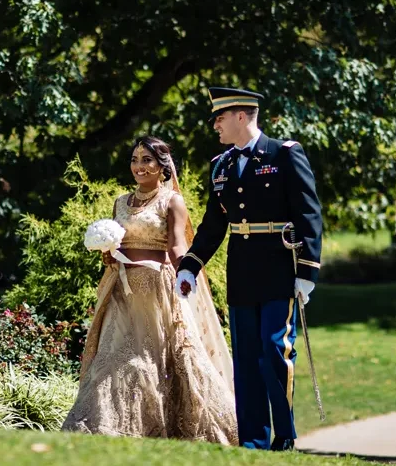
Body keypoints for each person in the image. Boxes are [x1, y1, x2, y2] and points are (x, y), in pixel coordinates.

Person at [61, 136, 238, 445]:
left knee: (161, 359)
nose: (139, 166)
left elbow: (177, 247)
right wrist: (108, 253)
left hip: (158, 291)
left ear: (162, 166)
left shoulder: (172, 201)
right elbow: (119, 244)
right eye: (134, 160)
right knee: (113, 359)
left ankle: (186, 427)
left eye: (147, 160)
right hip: (122, 292)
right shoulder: (120, 202)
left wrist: (187, 274)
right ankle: (103, 426)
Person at [175, 87, 323, 451]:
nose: (215, 125)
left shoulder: (284, 154)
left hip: (280, 268)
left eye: (220, 118)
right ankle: (253, 442)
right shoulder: (221, 165)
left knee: (275, 350)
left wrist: (307, 271)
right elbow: (213, 224)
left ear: (241, 116)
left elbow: (309, 213)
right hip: (241, 270)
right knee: (246, 360)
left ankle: (284, 435)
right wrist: (190, 265)